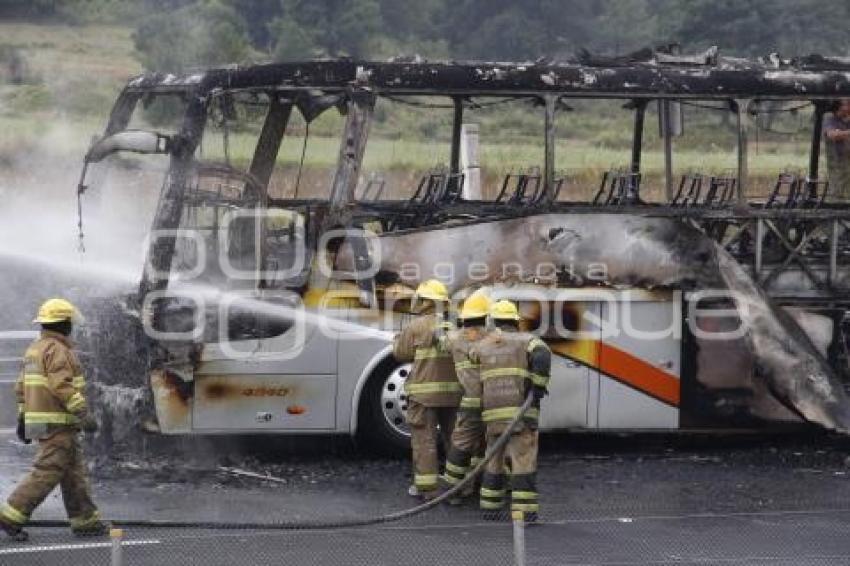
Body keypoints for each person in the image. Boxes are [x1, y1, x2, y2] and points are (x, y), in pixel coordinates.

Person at [0, 299, 106, 541]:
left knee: (73, 473)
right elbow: (62, 386)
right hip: (59, 423)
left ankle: (86, 521)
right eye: (69, 323)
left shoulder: (34, 350)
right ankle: (10, 517)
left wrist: (23, 417)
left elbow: (20, 387)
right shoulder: (58, 350)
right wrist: (83, 413)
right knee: (47, 471)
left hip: (47, 423)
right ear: (64, 324)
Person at [471, 300, 551, 523]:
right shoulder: (526, 340)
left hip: (492, 414)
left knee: (493, 459)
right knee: (522, 460)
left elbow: (472, 360)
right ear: (515, 321)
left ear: (494, 321)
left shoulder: (483, 344)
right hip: (520, 414)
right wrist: (538, 386)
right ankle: (524, 513)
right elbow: (543, 355)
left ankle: (490, 507)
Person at [393, 280, 461, 500]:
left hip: (423, 397)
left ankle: (426, 489)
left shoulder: (417, 326)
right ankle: (457, 487)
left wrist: (396, 340)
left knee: (424, 441)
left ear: (425, 302)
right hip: (453, 396)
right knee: (455, 440)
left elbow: (400, 354)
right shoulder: (455, 324)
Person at [440, 291, 491, 503]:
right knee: (487, 445)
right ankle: (483, 485)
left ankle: (453, 492)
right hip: (493, 402)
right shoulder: (493, 338)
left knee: (461, 445)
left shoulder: (454, 338)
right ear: (485, 317)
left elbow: (441, 343)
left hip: (470, 403)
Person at [824, 98, 850, 201]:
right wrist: (847, 133)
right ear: (839, 107)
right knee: (838, 191)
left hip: (847, 160)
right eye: (847, 104)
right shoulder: (830, 120)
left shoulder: (846, 121)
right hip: (837, 163)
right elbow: (833, 135)